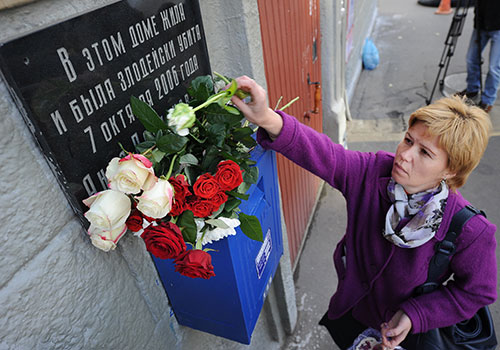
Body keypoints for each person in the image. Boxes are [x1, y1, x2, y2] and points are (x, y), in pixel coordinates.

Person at [231, 76, 497, 350]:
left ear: (451, 170)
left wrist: (416, 314)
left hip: (411, 336)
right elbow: (327, 155)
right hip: (353, 311)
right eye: (408, 140)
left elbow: (477, 291)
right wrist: (266, 118)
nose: (405, 155)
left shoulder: (470, 230)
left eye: (425, 152)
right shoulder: (373, 172)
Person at [458, 0, 500, 112]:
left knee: (494, 67)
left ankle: (488, 100)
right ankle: (472, 89)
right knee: (471, 59)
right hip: (481, 23)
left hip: (498, 28)